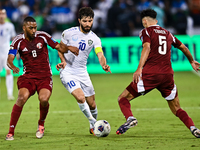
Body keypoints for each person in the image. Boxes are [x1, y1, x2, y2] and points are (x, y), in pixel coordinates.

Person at [116, 9, 200, 138]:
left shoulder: (145, 31)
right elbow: (183, 47)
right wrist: (192, 61)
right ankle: (193, 128)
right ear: (156, 21)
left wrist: (139, 68)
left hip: (151, 74)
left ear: (144, 21)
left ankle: (130, 118)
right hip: (167, 76)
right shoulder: (168, 33)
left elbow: (147, 47)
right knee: (177, 108)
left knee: (122, 98)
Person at [5, 16, 79, 140]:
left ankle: (41, 124)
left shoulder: (43, 36)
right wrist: (12, 66)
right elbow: (9, 59)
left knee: (44, 99)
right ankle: (11, 131)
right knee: (21, 98)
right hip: (28, 77)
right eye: (30, 28)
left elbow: (59, 47)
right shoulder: (18, 40)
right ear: (24, 28)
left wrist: (69, 48)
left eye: (35, 27)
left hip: (44, 77)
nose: (34, 30)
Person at [56, 7, 111, 135]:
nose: (88, 24)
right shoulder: (68, 33)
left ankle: (94, 124)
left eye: (90, 21)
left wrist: (104, 65)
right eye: (85, 21)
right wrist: (63, 61)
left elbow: (100, 54)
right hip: (67, 71)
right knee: (81, 98)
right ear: (79, 20)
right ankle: (94, 124)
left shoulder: (95, 38)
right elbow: (60, 48)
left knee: (92, 104)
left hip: (82, 72)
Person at [0, 9, 16, 100]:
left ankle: (10, 94)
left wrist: (14, 51)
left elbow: (14, 39)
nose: (1, 16)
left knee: (8, 71)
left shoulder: (10, 26)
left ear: (5, 15)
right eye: (0, 14)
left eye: (3, 14)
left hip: (6, 50)